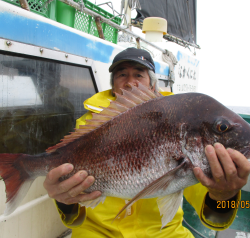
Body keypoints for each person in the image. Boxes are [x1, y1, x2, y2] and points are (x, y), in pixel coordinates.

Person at [43, 48, 250, 238]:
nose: (130, 82)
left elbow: (215, 219)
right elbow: (73, 217)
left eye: (139, 74)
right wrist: (63, 199)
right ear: (113, 83)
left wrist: (225, 195)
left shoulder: (178, 121)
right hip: (97, 233)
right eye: (122, 74)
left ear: (152, 83)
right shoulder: (89, 125)